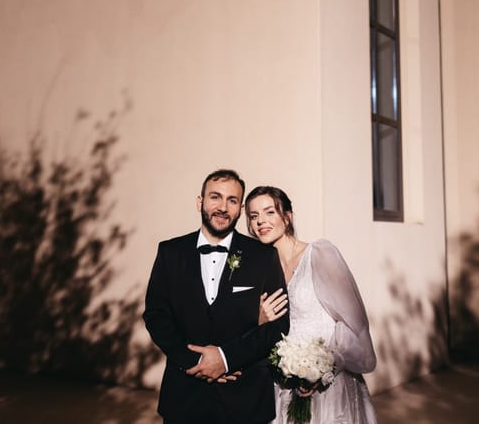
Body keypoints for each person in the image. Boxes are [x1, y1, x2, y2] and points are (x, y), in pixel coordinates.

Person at [144, 169, 290, 424]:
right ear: (200, 202)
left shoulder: (263, 256)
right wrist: (197, 361)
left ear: (240, 208)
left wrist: (226, 359)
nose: (223, 207)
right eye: (215, 197)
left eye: (232, 200)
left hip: (246, 399)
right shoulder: (170, 252)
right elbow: (156, 316)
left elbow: (279, 324)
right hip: (184, 397)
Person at [247, 185, 377, 424]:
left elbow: (352, 323)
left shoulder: (319, 253)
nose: (260, 221)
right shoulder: (261, 269)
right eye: (253, 216)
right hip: (282, 383)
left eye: (269, 212)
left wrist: (326, 367)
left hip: (329, 385)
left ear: (287, 216)